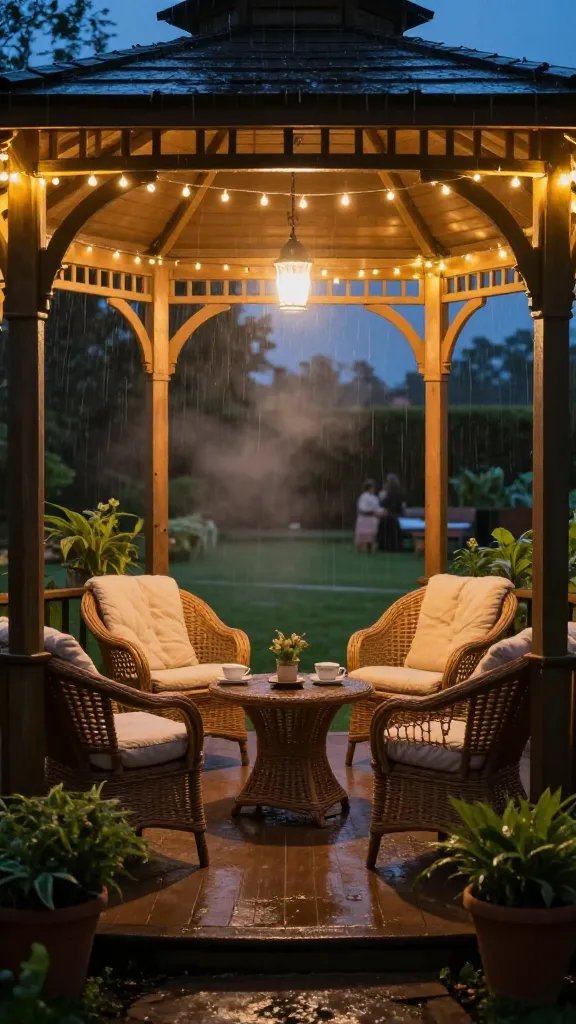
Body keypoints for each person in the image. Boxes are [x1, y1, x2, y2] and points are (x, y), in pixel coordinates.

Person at [377, 473, 406, 552]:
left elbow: (384, 504)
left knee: (385, 523)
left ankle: (386, 546)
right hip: (395, 516)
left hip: (392, 516)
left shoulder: (390, 493)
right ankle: (393, 546)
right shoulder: (397, 492)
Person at [354, 480, 381, 553]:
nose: (374, 489)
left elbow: (377, 507)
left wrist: (381, 511)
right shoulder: (363, 497)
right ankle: (359, 549)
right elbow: (362, 508)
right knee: (362, 535)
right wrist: (373, 511)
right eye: (372, 487)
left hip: (373, 519)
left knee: (372, 535)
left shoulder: (375, 497)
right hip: (364, 518)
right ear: (369, 488)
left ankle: (370, 548)